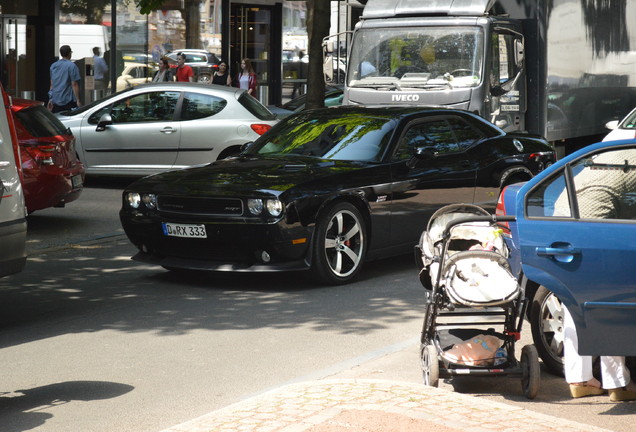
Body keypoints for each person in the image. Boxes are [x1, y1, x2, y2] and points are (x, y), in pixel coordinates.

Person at [555, 148, 636, 401]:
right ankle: (618, 384)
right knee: (611, 306)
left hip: (562, 227)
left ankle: (581, 380)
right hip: (597, 233)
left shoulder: (614, 149)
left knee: (576, 306)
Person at [48, 45, 81, 113]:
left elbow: (52, 84)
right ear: (69, 53)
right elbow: (74, 84)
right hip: (68, 100)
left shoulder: (53, 66)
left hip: (56, 100)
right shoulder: (72, 66)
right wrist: (78, 100)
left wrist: (50, 99)